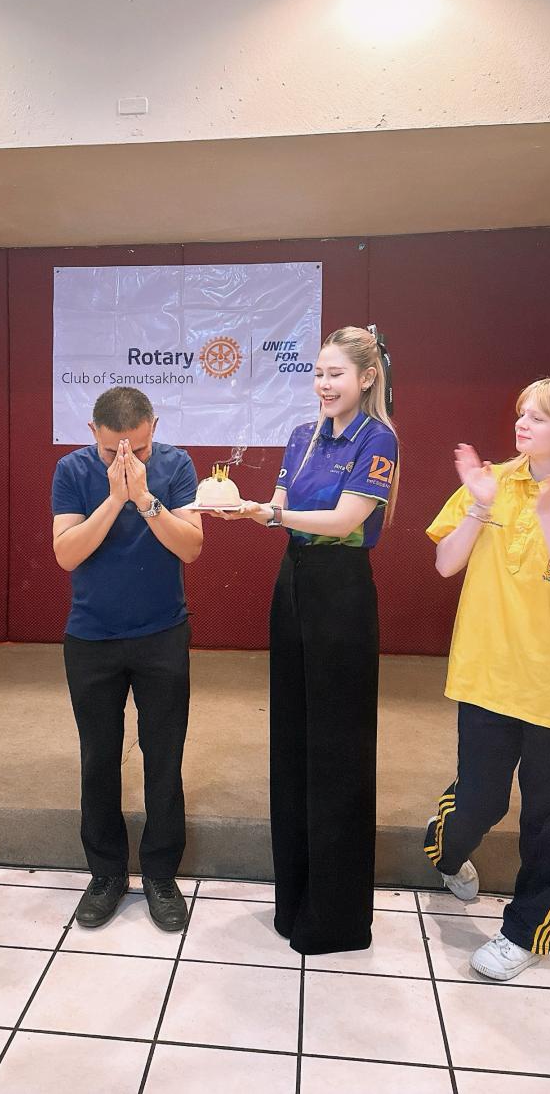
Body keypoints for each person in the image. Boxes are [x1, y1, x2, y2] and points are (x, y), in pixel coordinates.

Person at [424, 377, 550, 981]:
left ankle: (524, 932)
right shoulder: (493, 481)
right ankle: (446, 850)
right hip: (486, 676)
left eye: (537, 417)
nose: (522, 424)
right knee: (478, 802)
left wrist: (549, 517)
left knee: (548, 820)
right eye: (522, 413)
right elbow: (445, 563)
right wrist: (479, 505)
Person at [217, 326, 399, 954]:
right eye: (319, 373)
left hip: (342, 591)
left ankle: (338, 917)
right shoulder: (302, 435)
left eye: (336, 374)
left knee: (338, 747)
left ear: (366, 378)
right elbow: (279, 502)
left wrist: (272, 515)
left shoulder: (377, 438)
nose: (324, 384)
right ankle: (294, 899)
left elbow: (347, 520)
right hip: (293, 582)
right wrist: (246, 508)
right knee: (292, 738)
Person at [52, 387, 203, 932]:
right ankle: (106, 873)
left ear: (153, 428)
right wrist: (115, 499)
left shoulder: (176, 465)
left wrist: (144, 498)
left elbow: (191, 546)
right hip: (92, 637)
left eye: (137, 450)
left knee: (164, 756)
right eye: (112, 448)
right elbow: (66, 553)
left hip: (162, 633)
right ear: (92, 431)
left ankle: (161, 873)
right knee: (98, 757)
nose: (125, 459)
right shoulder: (72, 470)